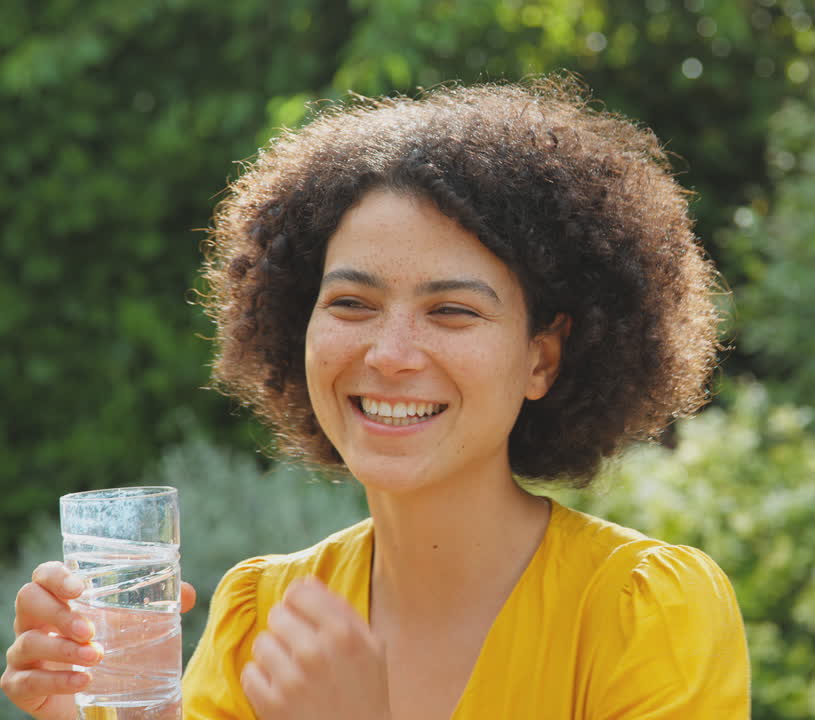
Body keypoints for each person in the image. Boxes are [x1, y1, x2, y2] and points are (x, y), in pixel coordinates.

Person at [2, 78, 750, 719]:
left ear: (540, 360)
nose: (388, 355)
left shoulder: (644, 610)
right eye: (352, 304)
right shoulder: (260, 614)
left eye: (452, 311)